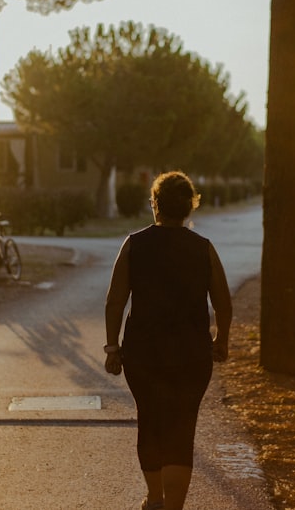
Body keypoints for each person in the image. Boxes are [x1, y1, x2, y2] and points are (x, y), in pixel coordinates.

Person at [104, 171, 232, 510]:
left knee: (150, 419)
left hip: (143, 354)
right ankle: (173, 505)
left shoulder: (134, 244)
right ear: (190, 206)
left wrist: (112, 347)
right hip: (191, 355)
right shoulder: (203, 248)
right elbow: (223, 302)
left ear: (155, 205)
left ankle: (155, 497)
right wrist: (222, 340)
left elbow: (115, 301)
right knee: (181, 425)